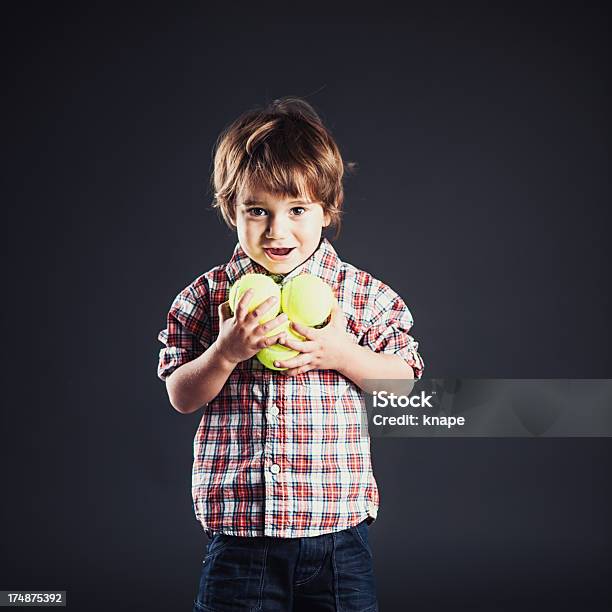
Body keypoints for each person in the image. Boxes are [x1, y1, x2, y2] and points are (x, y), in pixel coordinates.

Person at [157, 96, 425, 611]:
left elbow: (404, 383)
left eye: (297, 210)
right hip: (241, 539)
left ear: (327, 209)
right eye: (257, 210)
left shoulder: (361, 294)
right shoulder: (208, 296)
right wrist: (225, 352)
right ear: (230, 208)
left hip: (338, 538)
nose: (277, 231)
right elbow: (181, 395)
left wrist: (342, 353)